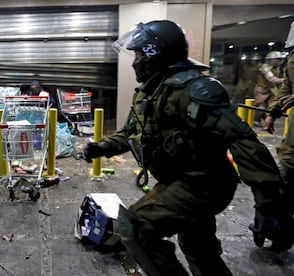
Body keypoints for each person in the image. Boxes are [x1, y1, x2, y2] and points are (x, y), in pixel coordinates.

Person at [83, 20, 294, 275]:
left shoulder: (195, 90)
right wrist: (99, 148)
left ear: (154, 55)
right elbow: (131, 133)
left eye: (139, 54)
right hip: (179, 180)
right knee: (200, 251)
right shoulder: (150, 91)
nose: (135, 61)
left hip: (202, 184)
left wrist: (268, 201)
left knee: (136, 227)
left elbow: (242, 140)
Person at [263, 21, 294, 215]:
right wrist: (272, 114)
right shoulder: (292, 59)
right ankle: (277, 224)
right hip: (293, 136)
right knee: (284, 172)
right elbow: (286, 88)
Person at [253, 51, 285, 124]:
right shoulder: (265, 67)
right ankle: (256, 120)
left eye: (279, 59)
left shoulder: (278, 68)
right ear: (270, 60)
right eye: (277, 59)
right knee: (261, 106)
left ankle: (267, 120)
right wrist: (285, 80)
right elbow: (271, 79)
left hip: (272, 89)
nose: (279, 61)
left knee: (272, 106)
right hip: (261, 89)